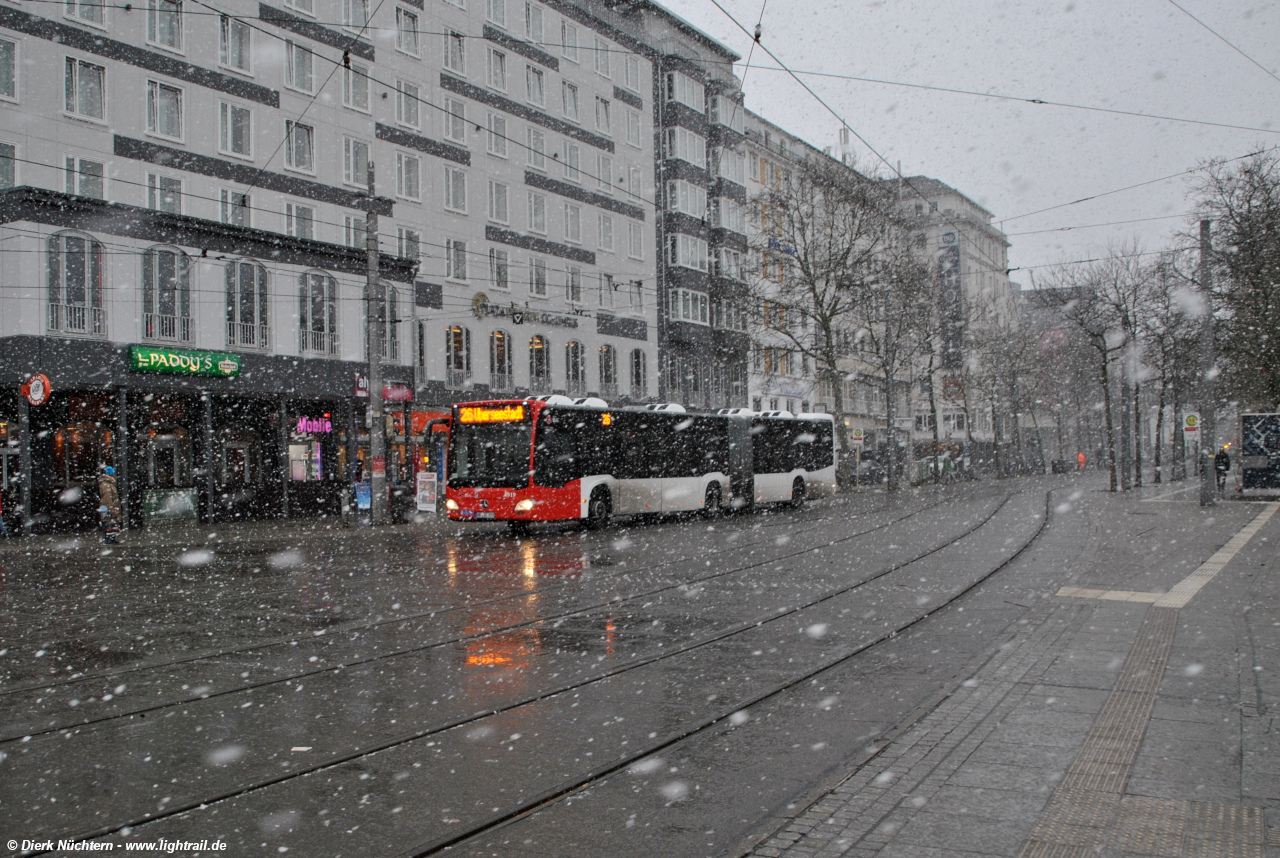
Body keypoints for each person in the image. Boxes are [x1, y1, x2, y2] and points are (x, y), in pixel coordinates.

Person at [97, 465, 122, 544]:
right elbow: (108, 498)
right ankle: (108, 540)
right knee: (108, 523)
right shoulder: (106, 485)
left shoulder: (108, 484)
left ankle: (110, 539)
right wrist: (112, 509)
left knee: (110, 523)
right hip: (108, 508)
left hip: (109, 507)